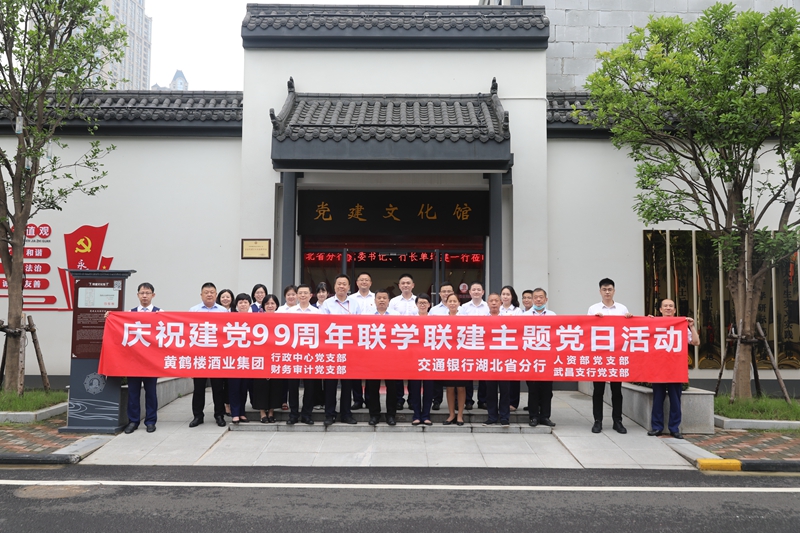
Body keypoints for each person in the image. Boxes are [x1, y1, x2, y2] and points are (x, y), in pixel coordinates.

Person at [648, 298, 700, 439]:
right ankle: (657, 427)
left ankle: (674, 428)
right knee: (657, 399)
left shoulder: (681, 325)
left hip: (675, 368)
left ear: (675, 310)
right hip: (658, 368)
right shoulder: (654, 323)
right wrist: (647, 322)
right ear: (660, 309)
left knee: (675, 400)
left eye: (671, 306)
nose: (668, 308)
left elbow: (696, 342)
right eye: (665, 306)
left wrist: (691, 326)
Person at [588, 277, 634, 434]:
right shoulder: (593, 309)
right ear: (600, 291)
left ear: (614, 291)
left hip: (616, 355)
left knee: (617, 390)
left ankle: (617, 421)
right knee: (598, 390)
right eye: (604, 289)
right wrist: (595, 320)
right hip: (600, 355)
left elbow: (628, 329)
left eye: (609, 289)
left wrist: (629, 319)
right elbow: (587, 329)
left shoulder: (622, 308)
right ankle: (597, 421)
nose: (607, 292)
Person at [320, 274, 361, 425]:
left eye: (344, 284)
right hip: (331, 349)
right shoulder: (327, 304)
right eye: (339, 284)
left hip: (349, 350)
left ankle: (346, 414)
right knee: (330, 384)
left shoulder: (355, 303)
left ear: (349, 287)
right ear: (334, 286)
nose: (341, 286)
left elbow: (359, 325)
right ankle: (329, 414)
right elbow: (322, 325)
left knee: (347, 384)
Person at [189, 282, 229, 428]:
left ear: (216, 295)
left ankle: (219, 415)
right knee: (198, 388)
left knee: (218, 388)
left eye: (212, 292)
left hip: (216, 355)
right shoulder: (193, 310)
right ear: (201, 295)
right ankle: (198, 416)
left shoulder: (223, 311)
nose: (209, 295)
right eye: (206, 292)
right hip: (199, 355)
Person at [123, 282, 161, 434]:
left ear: (153, 295)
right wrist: (110, 317)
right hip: (134, 361)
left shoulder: (160, 313)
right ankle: (133, 421)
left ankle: (151, 421)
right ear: (138, 295)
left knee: (151, 393)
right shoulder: (130, 313)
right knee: (133, 393)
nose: (145, 296)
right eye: (142, 293)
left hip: (151, 361)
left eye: (147, 293)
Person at [283, 284, 321, 425]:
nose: (303, 295)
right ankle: (293, 414)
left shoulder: (317, 313)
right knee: (292, 386)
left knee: (310, 387)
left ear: (311, 295)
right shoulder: (289, 312)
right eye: (300, 293)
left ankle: (307, 414)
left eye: (306, 293)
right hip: (293, 354)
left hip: (310, 355)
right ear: (297, 296)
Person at [366, 290, 399, 426]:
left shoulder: (397, 316)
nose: (381, 300)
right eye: (379, 298)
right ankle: (374, 415)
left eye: (384, 298)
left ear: (389, 300)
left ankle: (391, 415)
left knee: (392, 388)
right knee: (372, 388)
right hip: (372, 358)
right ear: (374, 300)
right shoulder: (366, 316)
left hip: (391, 358)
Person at [526, 288, 557, 427]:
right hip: (531, 357)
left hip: (547, 358)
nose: (538, 300)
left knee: (547, 390)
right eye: (536, 297)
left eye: (541, 297)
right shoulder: (524, 316)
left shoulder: (552, 315)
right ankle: (533, 416)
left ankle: (545, 416)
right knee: (533, 389)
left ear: (546, 299)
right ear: (532, 299)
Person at [458, 281, 489, 409]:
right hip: (468, 344)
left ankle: (483, 400)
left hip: (484, 344)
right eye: (474, 290)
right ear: (470, 292)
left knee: (483, 371)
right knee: (468, 372)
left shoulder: (488, 307)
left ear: (483, 292)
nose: (476, 292)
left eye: (478, 289)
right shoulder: (463, 308)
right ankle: (468, 400)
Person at [389, 273, 417, 410]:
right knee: (398, 372)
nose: (406, 285)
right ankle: (399, 399)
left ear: (413, 285)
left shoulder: (418, 300)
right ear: (399, 286)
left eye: (408, 283)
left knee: (413, 372)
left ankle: (412, 400)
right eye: (403, 283)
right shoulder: (393, 302)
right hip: (398, 341)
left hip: (415, 342)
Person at [483, 293, 511, 427]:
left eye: (496, 301)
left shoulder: (508, 320)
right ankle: (492, 416)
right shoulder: (482, 320)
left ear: (500, 303)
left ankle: (504, 417)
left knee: (505, 390)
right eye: (491, 301)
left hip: (504, 360)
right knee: (490, 391)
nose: (494, 303)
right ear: (487, 303)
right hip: (489, 360)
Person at [348, 272, 376, 409]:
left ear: (370, 283)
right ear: (357, 282)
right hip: (355, 338)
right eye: (361, 280)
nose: (364, 282)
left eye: (367, 280)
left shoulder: (376, 297)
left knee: (371, 369)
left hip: (373, 338)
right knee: (355, 370)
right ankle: (357, 399)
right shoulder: (350, 299)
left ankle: (370, 399)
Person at [227, 293, 253, 424]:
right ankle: (235, 413)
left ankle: (242, 412)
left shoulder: (256, 319)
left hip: (249, 359)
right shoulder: (231, 318)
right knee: (234, 387)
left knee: (244, 388)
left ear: (250, 304)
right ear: (236, 305)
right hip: (233, 359)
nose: (243, 305)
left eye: (245, 302)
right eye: (240, 302)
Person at [428, 283, 455, 410]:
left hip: (455, 347)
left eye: (449, 291)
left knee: (455, 375)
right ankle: (437, 400)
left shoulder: (461, 310)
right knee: (437, 374)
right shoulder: (434, 310)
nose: (446, 293)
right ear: (439, 294)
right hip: (438, 347)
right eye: (444, 291)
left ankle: (456, 401)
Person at [408, 293, 434, 425]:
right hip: (414, 359)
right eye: (420, 303)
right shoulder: (411, 320)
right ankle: (416, 415)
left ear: (429, 305)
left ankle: (426, 415)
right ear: (416, 305)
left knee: (429, 389)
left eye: (425, 303)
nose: (422, 305)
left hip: (430, 359)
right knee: (415, 389)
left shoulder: (435, 321)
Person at [443, 293, 467, 426]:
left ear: (459, 303)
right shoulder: (441, 319)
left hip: (461, 356)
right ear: (446, 303)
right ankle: (451, 414)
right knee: (450, 388)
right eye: (450, 301)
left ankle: (460, 415)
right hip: (447, 357)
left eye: (454, 301)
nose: (452, 303)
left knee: (461, 387)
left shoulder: (464, 318)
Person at [499, 285, 522, 411]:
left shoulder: (518, 311)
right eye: (503, 294)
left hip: (513, 347)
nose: (505, 296)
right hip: (498, 346)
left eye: (508, 294)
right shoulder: (497, 309)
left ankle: (513, 402)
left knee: (513, 375)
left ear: (512, 296)